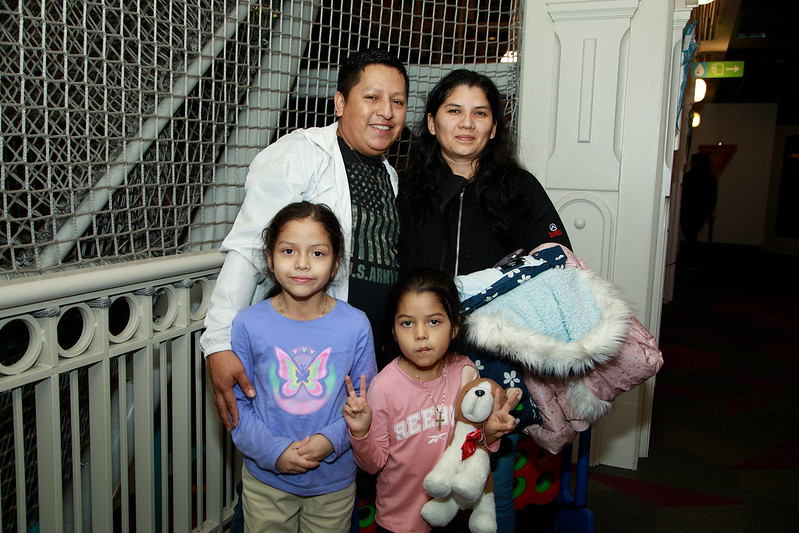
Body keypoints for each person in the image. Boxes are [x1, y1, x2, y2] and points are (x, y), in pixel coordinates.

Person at [397, 69, 572, 532]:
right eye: (454, 111)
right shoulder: (405, 190)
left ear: (495, 127)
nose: (467, 123)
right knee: (423, 475)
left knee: (491, 479)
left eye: (481, 113)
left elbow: (558, 265)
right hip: (421, 356)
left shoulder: (520, 188)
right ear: (432, 122)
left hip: (494, 362)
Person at [201, 48, 409, 431]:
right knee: (291, 449)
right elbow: (249, 249)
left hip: (366, 350)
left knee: (352, 457)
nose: (387, 111)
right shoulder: (300, 153)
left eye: (397, 101)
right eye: (372, 97)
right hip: (309, 351)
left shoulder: (389, 176)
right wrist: (219, 344)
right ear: (340, 103)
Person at [230, 201, 377, 532]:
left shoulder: (354, 325)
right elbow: (236, 407)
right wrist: (275, 452)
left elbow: (368, 402)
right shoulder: (248, 324)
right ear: (269, 258)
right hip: (266, 481)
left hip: (333, 483)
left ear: (336, 263)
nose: (301, 264)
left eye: (317, 253)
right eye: (288, 251)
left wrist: (331, 440)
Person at [343, 268, 518, 533]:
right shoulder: (383, 387)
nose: (421, 334)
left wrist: (491, 434)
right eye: (407, 323)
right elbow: (372, 464)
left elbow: (472, 443)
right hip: (399, 522)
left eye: (434, 321)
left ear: (455, 326)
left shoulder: (465, 372)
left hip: (453, 514)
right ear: (393, 329)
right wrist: (361, 433)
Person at [679, 152, 717, 267]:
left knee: (690, 236)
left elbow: (684, 195)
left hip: (688, 210)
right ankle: (693, 261)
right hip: (702, 212)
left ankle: (691, 261)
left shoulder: (689, 177)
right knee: (692, 235)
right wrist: (709, 212)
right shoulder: (711, 178)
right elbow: (713, 197)